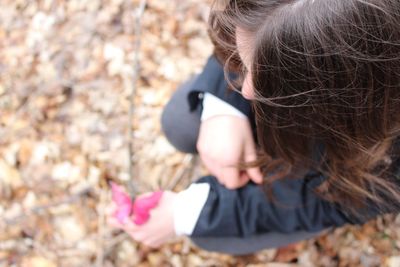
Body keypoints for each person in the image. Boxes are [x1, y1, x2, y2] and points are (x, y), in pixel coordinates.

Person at [108, 0, 400, 255]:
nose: (246, 91)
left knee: (210, 235)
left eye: (271, 83)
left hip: (350, 168)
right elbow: (256, 28)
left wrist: (190, 212)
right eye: (246, 66)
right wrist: (223, 108)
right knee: (181, 123)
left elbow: (340, 201)